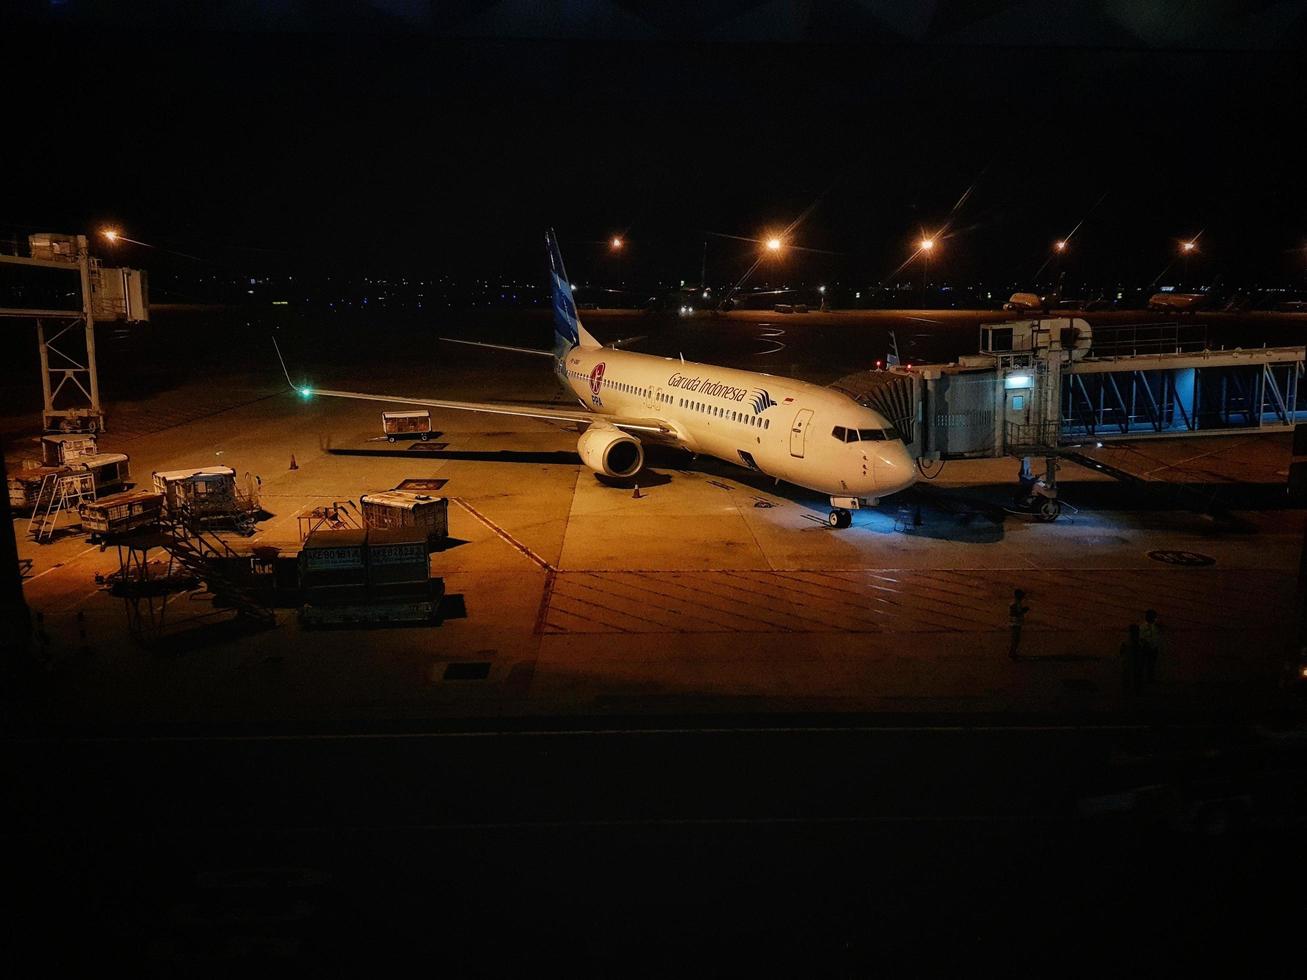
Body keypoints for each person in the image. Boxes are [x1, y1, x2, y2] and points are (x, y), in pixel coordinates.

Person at [1139, 609, 1162, 684]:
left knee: (1149, 665)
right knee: (1149, 665)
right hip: (1148, 649)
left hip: (1151, 648)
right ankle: (1147, 680)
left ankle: (1147, 680)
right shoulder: (1147, 627)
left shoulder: (1145, 627)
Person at [1120, 624, 1142, 695]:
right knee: (1135, 676)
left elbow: (1121, 651)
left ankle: (1127, 690)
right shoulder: (1138, 642)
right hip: (1133, 661)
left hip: (1128, 661)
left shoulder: (1126, 642)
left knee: (1127, 676)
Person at [1009, 589, 1029, 661]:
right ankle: (1012, 653)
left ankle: (1012, 652)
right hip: (1015, 623)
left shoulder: (1016, 603)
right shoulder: (1015, 603)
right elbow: (1015, 613)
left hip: (1016, 623)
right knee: (1015, 639)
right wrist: (1024, 610)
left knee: (1016, 639)